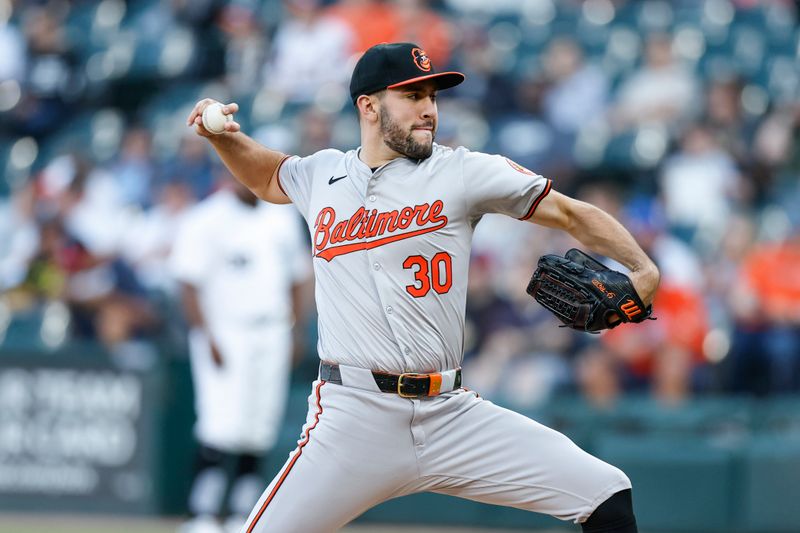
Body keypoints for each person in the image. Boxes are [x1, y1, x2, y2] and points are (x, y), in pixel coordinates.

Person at [185, 42, 660, 533]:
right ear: (368, 106)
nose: (429, 109)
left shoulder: (461, 172)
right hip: (353, 418)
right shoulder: (321, 174)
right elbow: (268, 176)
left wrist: (642, 268)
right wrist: (222, 139)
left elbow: (568, 212)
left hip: (450, 413)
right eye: (412, 95)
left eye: (432, 95)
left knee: (607, 493)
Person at [169, 174, 312, 533]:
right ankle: (200, 513)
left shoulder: (279, 217)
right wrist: (206, 335)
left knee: (259, 426)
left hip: (272, 328)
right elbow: (188, 283)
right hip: (225, 330)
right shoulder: (206, 219)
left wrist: (295, 330)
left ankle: (240, 512)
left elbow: (297, 277)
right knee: (219, 422)